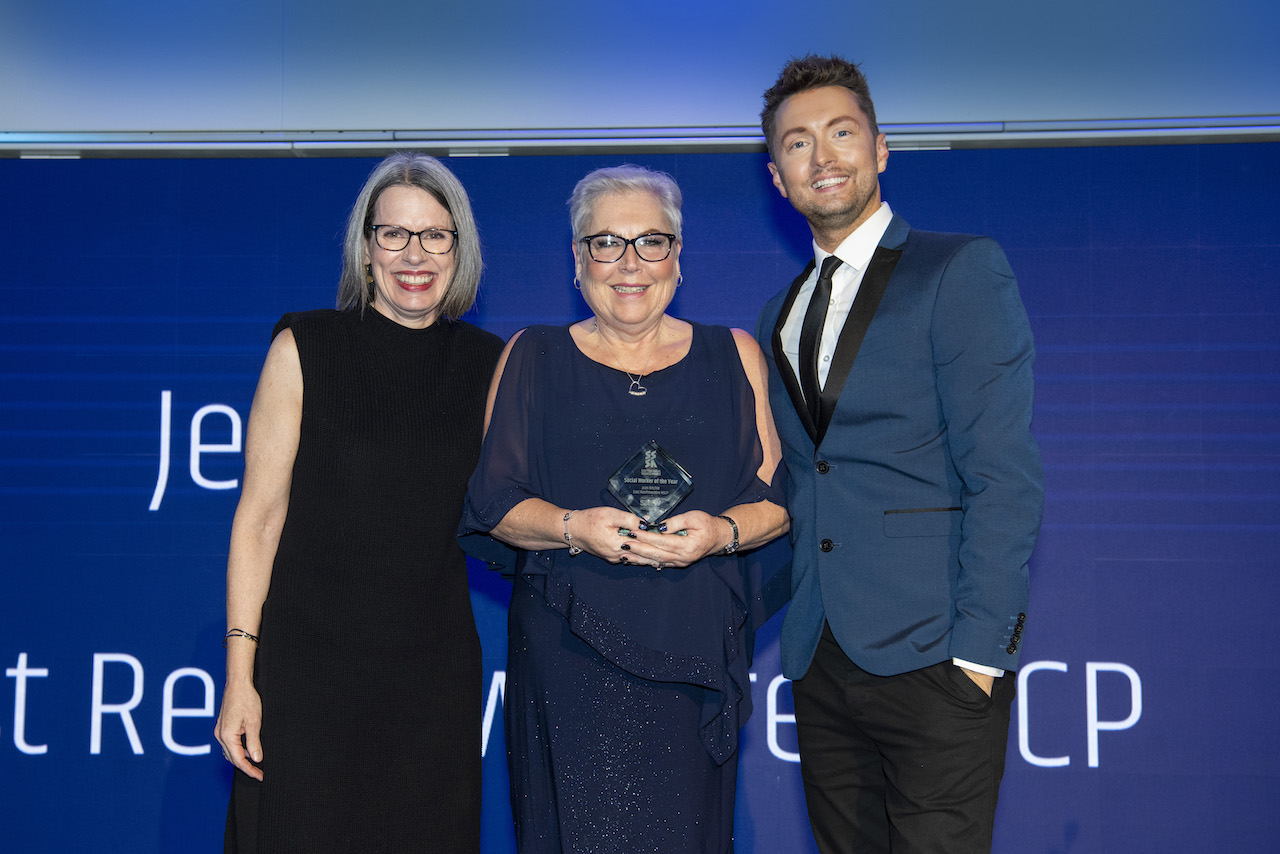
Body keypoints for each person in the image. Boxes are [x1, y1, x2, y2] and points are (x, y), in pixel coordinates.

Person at [755, 56, 1044, 853]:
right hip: (820, 660)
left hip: (934, 657)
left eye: (841, 133)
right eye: (797, 144)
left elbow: (1004, 475)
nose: (822, 157)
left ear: (881, 148)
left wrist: (980, 658)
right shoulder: (778, 313)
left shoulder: (958, 270)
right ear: (777, 177)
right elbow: (801, 482)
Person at [459, 164, 789, 853]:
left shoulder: (735, 354)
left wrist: (721, 533)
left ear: (678, 257)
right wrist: (573, 528)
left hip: (693, 657)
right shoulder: (532, 354)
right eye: (607, 243)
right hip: (565, 657)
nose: (629, 263)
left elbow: (780, 502)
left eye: (651, 242)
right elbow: (493, 502)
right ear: (578, 261)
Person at [213, 152, 504, 853]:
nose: (414, 254)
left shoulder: (490, 365)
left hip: (431, 686)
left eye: (435, 235)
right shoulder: (305, 346)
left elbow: (518, 510)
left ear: (459, 249)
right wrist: (239, 678)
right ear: (366, 247)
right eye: (394, 234)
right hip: (307, 679)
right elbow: (258, 520)